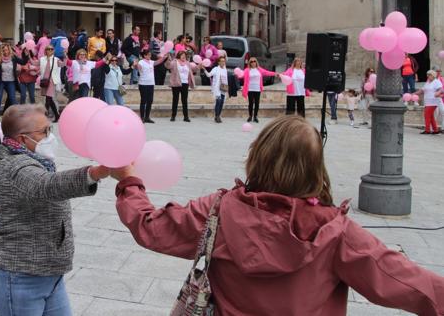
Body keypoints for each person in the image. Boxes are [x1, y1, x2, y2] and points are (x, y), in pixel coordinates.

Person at [110, 116, 444, 315]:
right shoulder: (336, 232)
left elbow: (150, 227)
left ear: (258, 156)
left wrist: (129, 183)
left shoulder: (219, 210)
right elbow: (410, 283)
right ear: (316, 168)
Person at [0, 104, 110, 316]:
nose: (49, 137)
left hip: (49, 274)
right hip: (20, 276)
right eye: (44, 132)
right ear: (22, 139)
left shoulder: (36, 161)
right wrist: (96, 172)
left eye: (49, 129)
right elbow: (47, 185)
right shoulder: (12, 167)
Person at [238, 57, 277, 123]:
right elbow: (241, 75)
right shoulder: (247, 70)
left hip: (257, 89)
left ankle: (255, 116)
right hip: (250, 89)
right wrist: (236, 74)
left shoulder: (259, 69)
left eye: (254, 61)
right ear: (250, 63)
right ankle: (250, 116)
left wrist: (275, 74)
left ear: (256, 62)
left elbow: (267, 72)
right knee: (250, 103)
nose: (253, 63)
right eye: (251, 62)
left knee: (257, 103)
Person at [134, 49, 167, 123]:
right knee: (143, 101)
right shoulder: (141, 62)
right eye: (148, 54)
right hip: (143, 84)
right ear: (144, 55)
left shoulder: (151, 62)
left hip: (151, 83)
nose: (150, 56)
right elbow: (137, 67)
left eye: (150, 54)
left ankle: (147, 117)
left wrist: (164, 58)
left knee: (150, 101)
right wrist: (136, 64)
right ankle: (142, 117)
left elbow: (158, 62)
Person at [165, 51, 197, 122]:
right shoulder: (174, 62)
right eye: (182, 55)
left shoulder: (188, 63)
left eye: (184, 55)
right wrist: (168, 59)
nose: (183, 56)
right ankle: (173, 116)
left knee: (184, 101)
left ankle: (186, 117)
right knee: (175, 100)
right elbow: (168, 66)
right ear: (179, 55)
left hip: (185, 83)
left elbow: (194, 69)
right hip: (176, 83)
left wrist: (199, 66)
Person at [39, 44, 66, 121]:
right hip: (44, 81)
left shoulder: (56, 59)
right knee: (49, 99)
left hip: (52, 81)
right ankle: (57, 115)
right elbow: (35, 63)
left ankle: (44, 117)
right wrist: (28, 56)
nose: (50, 50)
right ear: (45, 51)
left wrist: (65, 56)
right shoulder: (42, 59)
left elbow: (63, 64)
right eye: (48, 49)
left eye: (51, 49)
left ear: (53, 51)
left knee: (48, 98)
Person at [0, 42, 20, 117]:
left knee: (12, 98)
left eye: (7, 50)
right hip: (1, 82)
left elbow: (23, 62)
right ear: (1, 51)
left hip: (11, 81)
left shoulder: (13, 58)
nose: (5, 52)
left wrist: (26, 55)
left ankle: (17, 115)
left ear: (9, 50)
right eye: (4, 50)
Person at [414, 70, 443, 134]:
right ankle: (435, 130)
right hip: (428, 102)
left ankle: (427, 130)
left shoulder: (436, 82)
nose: (427, 76)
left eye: (429, 75)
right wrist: (414, 94)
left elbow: (441, 90)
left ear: (433, 75)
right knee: (431, 116)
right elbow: (422, 90)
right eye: (427, 75)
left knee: (426, 115)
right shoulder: (427, 82)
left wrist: (437, 93)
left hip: (433, 101)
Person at [202, 55, 229, 123]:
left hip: (223, 88)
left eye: (224, 61)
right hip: (217, 88)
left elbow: (226, 79)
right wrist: (204, 69)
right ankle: (217, 116)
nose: (223, 62)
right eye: (221, 61)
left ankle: (218, 115)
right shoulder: (215, 69)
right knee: (218, 102)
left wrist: (227, 88)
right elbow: (209, 75)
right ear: (218, 62)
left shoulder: (225, 69)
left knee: (222, 102)